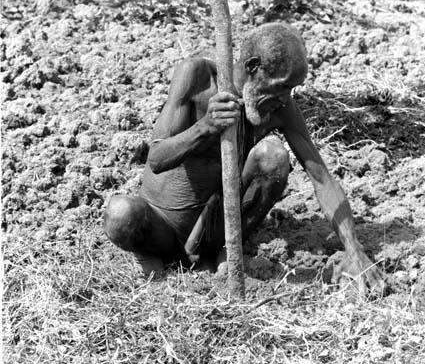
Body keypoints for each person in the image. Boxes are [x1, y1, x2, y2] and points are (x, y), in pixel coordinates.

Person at [104, 22, 383, 294]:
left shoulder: (280, 108)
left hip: (214, 228)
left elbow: (321, 177)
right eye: (282, 86)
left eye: (292, 90)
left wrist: (353, 249)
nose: (286, 99)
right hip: (160, 225)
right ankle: (149, 256)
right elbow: (157, 158)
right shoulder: (197, 77)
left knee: (273, 156)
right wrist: (205, 128)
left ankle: (223, 248)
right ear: (252, 67)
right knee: (120, 213)